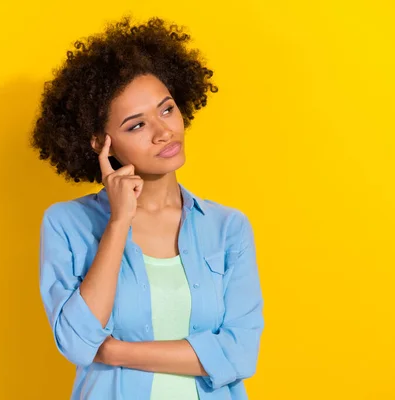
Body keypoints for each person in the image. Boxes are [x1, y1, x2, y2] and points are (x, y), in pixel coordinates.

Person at [31, 15, 264, 400]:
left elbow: (240, 354)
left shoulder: (228, 228)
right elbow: (76, 342)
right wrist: (119, 221)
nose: (164, 131)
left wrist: (116, 351)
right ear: (99, 143)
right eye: (136, 125)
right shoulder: (66, 224)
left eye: (167, 109)